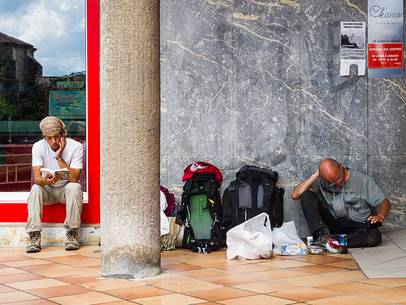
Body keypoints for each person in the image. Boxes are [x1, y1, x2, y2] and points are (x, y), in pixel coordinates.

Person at [291, 158, 391, 248]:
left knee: (373, 236)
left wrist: (380, 216)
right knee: (306, 194)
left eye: (339, 178)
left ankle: (329, 242)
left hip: (356, 225)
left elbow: (384, 201)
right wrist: (316, 175)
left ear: (341, 166)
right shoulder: (323, 180)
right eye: (332, 183)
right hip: (332, 222)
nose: (337, 184)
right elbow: (295, 195)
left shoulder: (361, 180)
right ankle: (323, 236)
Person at [26, 116, 84, 253]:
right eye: (49, 138)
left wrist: (59, 156)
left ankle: (72, 233)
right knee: (35, 189)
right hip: (48, 190)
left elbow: (75, 178)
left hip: (66, 191)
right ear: (44, 137)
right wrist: (46, 180)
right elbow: (37, 179)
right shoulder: (38, 146)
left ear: (63, 134)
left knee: (74, 187)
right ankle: (34, 235)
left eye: (56, 137)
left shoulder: (76, 147)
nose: (53, 141)